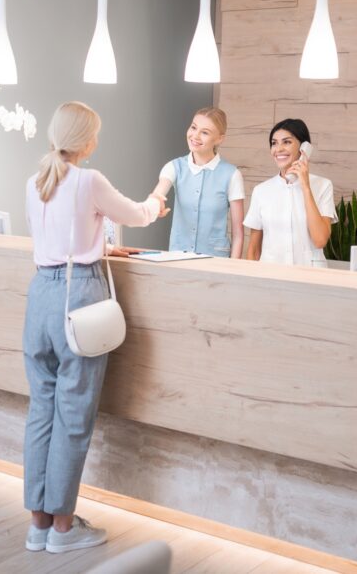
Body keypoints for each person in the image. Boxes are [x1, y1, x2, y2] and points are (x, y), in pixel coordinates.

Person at [22, 101, 167, 554]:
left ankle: (39, 524)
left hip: (40, 298)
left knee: (41, 411)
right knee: (74, 415)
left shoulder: (35, 181)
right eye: (95, 134)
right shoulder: (88, 180)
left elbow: (62, 236)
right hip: (78, 296)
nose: (97, 142)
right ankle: (64, 529)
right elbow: (137, 215)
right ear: (83, 139)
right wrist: (159, 203)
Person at [153, 107, 245, 258]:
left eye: (205, 132)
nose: (195, 136)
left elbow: (238, 234)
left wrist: (232, 270)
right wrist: (156, 202)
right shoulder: (174, 167)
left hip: (216, 260)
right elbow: (159, 192)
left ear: (220, 139)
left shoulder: (232, 175)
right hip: (178, 259)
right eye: (193, 127)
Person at [244, 118, 336, 267]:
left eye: (286, 142)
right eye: (274, 143)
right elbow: (253, 250)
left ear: (304, 148)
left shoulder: (323, 186)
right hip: (271, 275)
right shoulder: (261, 191)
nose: (278, 149)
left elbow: (320, 240)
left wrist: (305, 186)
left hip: (310, 276)